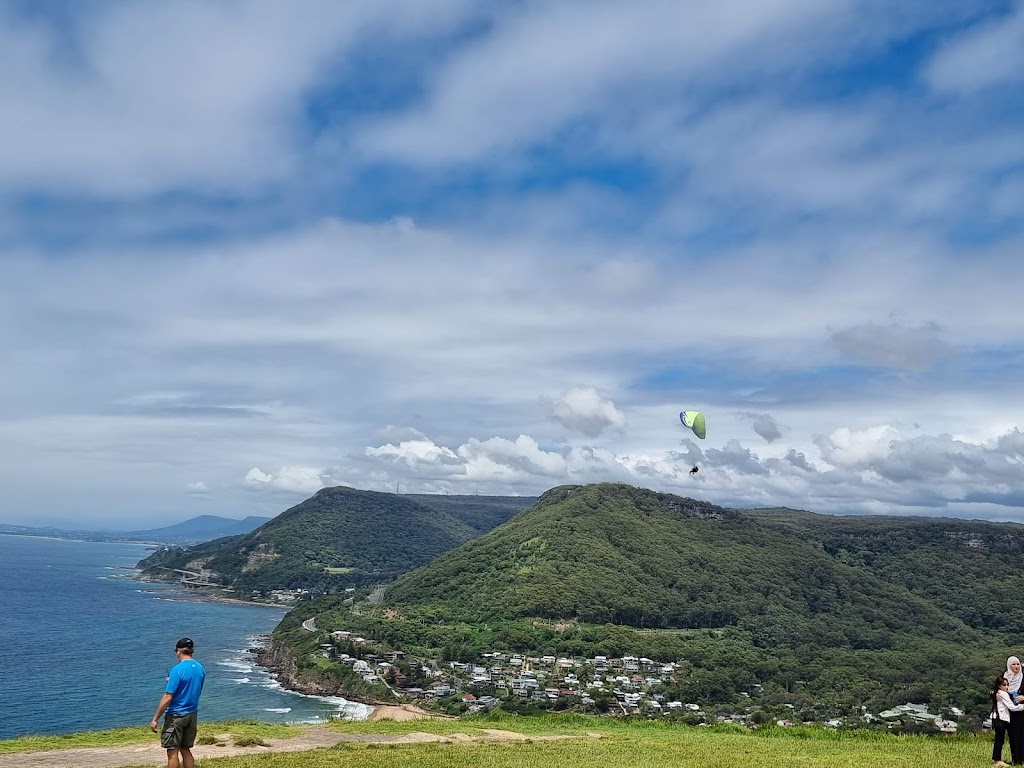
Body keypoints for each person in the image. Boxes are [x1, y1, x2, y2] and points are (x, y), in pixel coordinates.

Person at [150, 637, 206, 768]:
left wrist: (155, 718)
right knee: (185, 749)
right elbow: (196, 687)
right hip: (192, 714)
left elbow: (168, 696)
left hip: (176, 715)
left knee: (172, 751)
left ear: (179, 651)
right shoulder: (200, 668)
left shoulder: (177, 670)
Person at [992, 676, 1024, 766]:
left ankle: (996, 759)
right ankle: (997, 760)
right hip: (1001, 718)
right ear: (999, 686)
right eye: (1004, 685)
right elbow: (1012, 707)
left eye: (1007, 685)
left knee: (999, 739)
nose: (1006, 687)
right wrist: (1022, 707)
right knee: (999, 739)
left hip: (998, 717)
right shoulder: (1003, 694)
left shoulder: (997, 693)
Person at [1007, 657, 1024, 765]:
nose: (1016, 667)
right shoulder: (1004, 678)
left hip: (1022, 711)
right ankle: (1015, 759)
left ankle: (1021, 759)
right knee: (1012, 735)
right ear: (1009, 665)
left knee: (1021, 735)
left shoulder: (1023, 678)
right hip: (1009, 712)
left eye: (1018, 664)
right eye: (1013, 664)